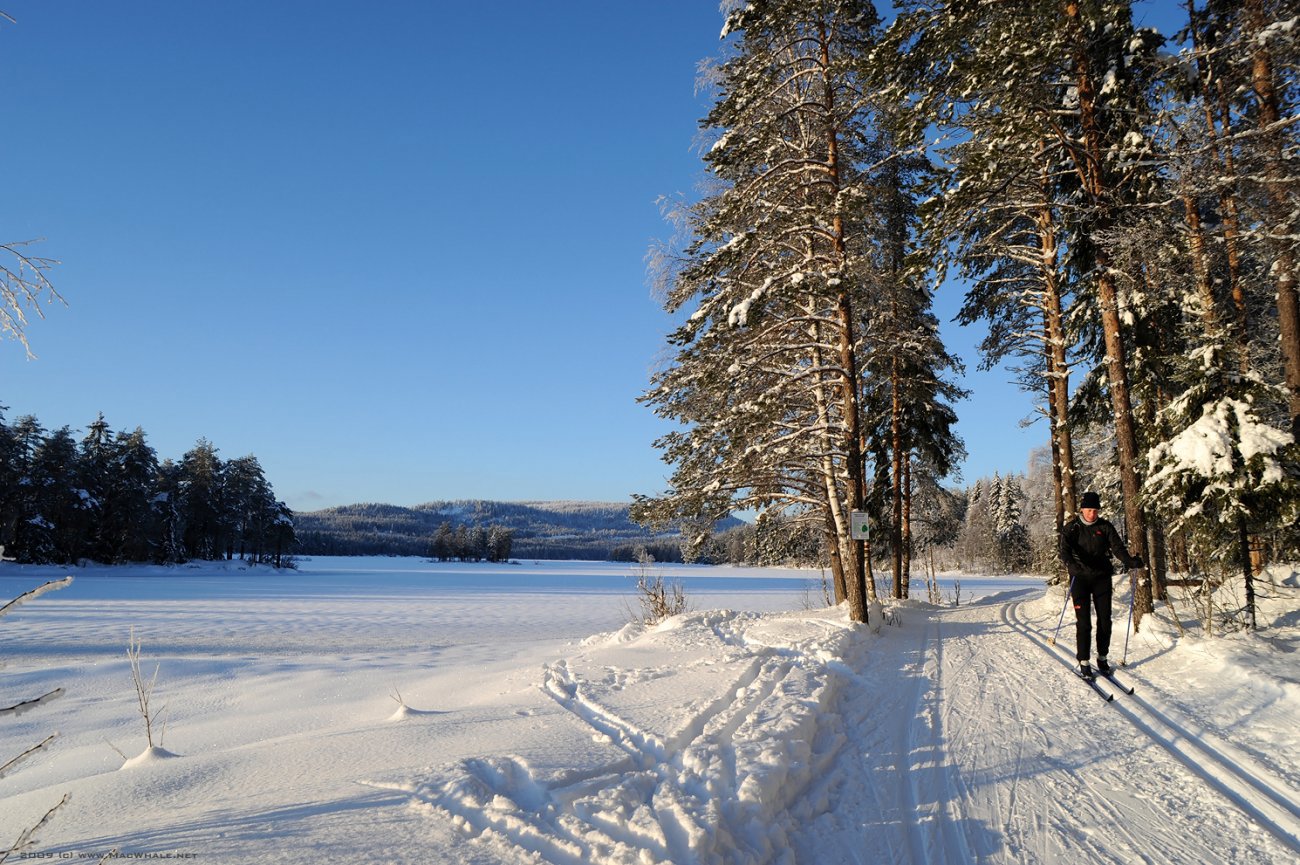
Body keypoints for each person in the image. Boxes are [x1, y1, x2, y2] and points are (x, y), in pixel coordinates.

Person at [1058, 491, 1143, 679]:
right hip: (1079, 579)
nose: (1092, 514)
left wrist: (1130, 561)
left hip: (1101, 577)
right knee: (1084, 622)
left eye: (1095, 511)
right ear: (1082, 509)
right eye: (1089, 510)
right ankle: (1084, 660)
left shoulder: (1105, 527)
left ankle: (1102, 657)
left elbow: (1118, 548)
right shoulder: (1072, 528)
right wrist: (1072, 566)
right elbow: (1064, 551)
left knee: (1105, 619)